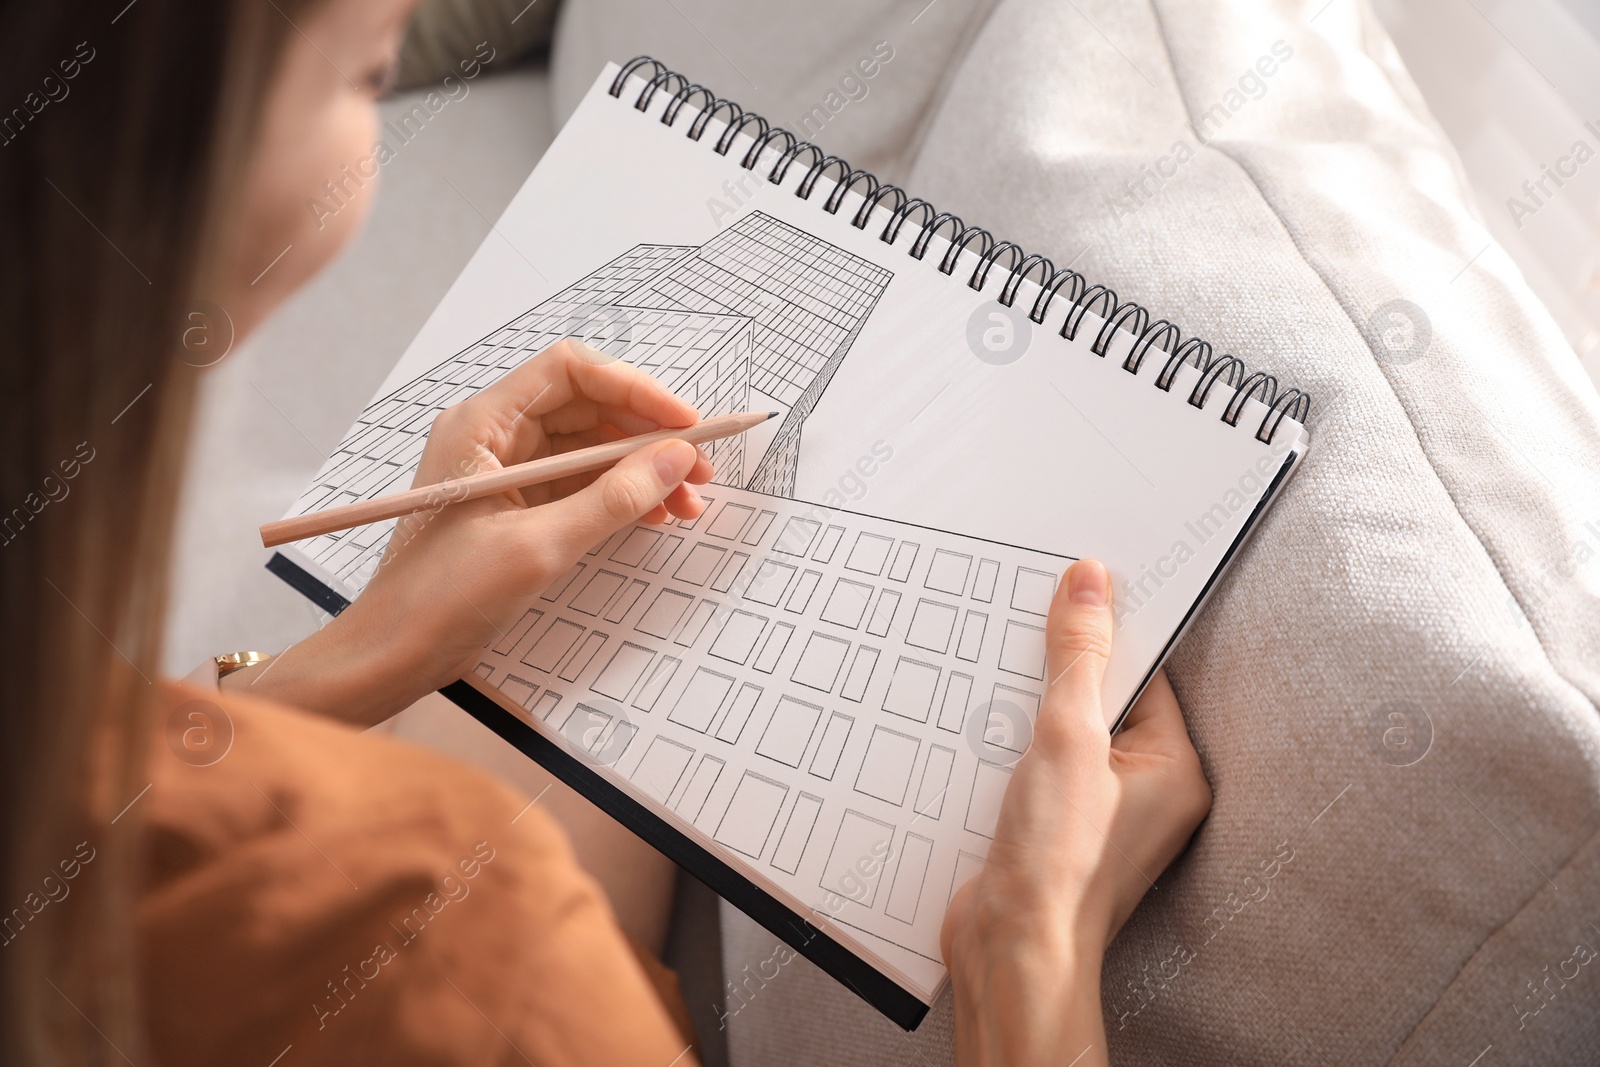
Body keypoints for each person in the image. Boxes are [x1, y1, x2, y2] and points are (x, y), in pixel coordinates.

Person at [0, 0, 1212, 1064]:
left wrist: (355, 654)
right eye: (371, 70)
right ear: (154, 147)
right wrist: (1027, 970)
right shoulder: (460, 943)